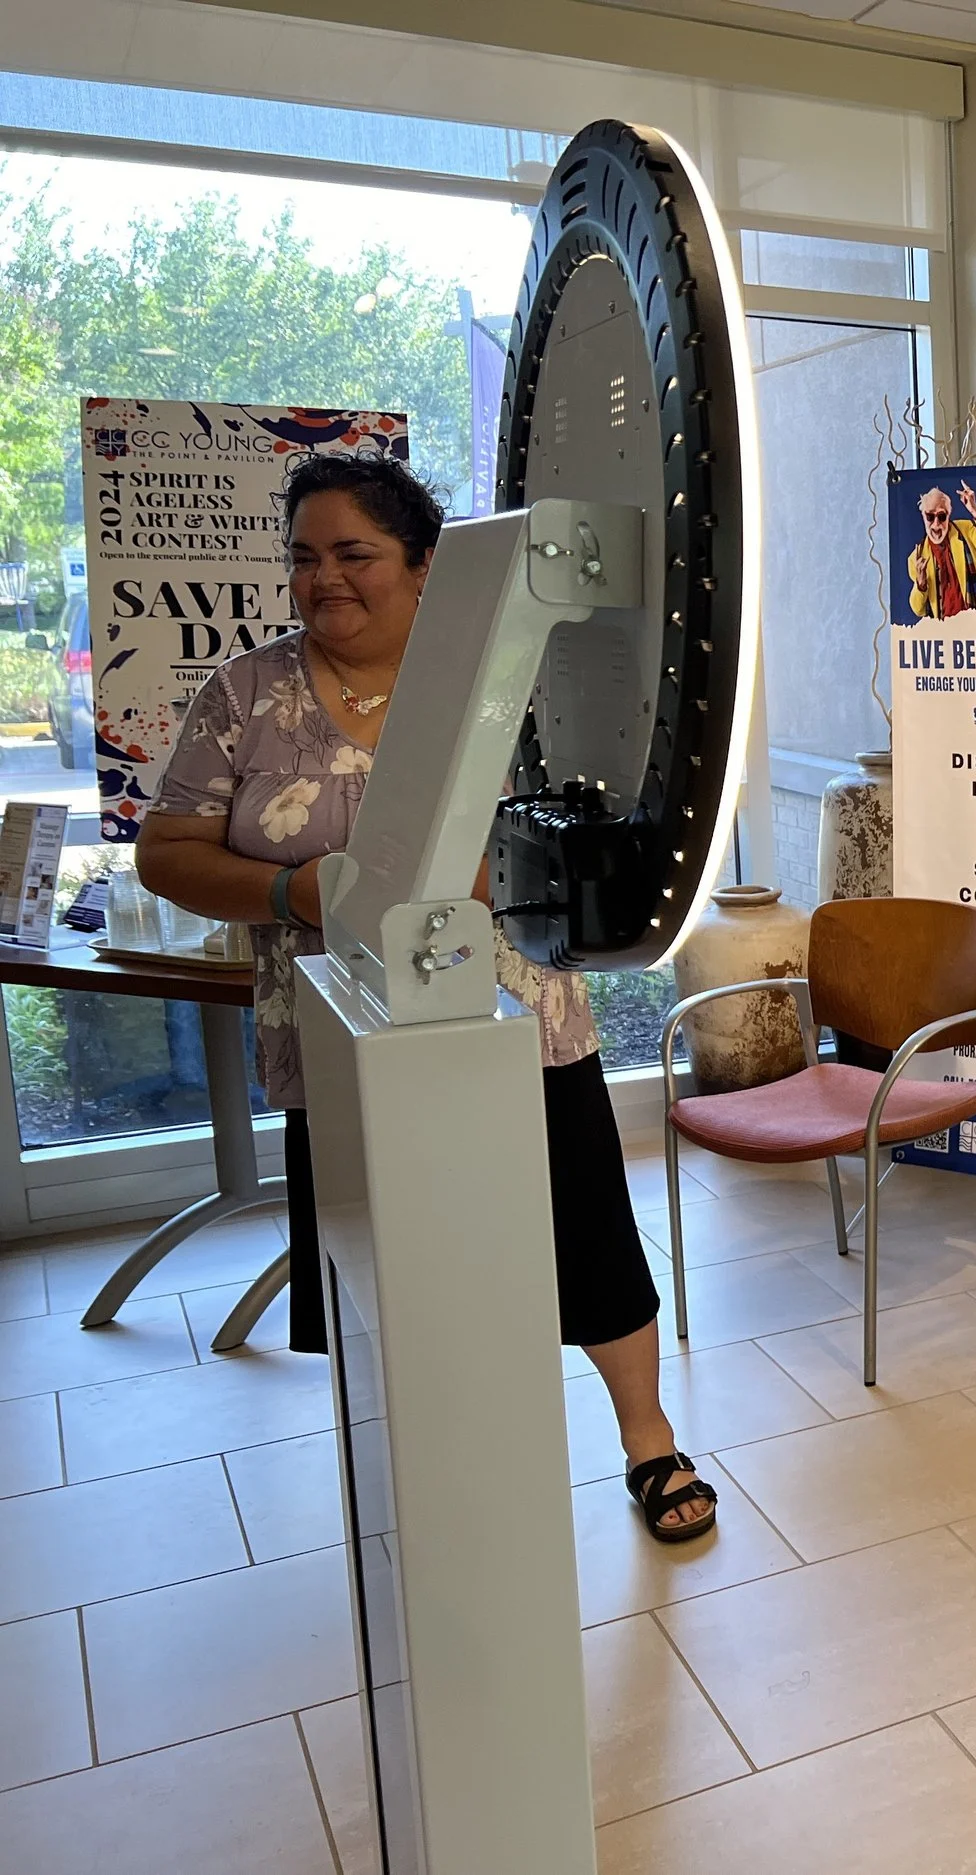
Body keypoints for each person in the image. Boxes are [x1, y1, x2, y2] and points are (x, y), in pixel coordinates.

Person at [134, 453, 719, 1544]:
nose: (324, 578)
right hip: (342, 1035)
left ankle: (648, 1438)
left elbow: (588, 825)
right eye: (304, 556)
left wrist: (513, 871)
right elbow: (164, 853)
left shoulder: (513, 682)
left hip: (519, 1027)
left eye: (354, 553)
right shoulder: (246, 695)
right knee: (389, 1269)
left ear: (425, 566)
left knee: (584, 1233)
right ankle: (428, 1469)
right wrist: (291, 890)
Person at [905, 481, 976, 619]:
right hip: (945, 630)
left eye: (941, 517)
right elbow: (919, 610)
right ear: (923, 516)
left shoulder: (965, 531)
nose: (936, 524)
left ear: (948, 515)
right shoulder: (916, 558)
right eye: (930, 517)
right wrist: (921, 585)